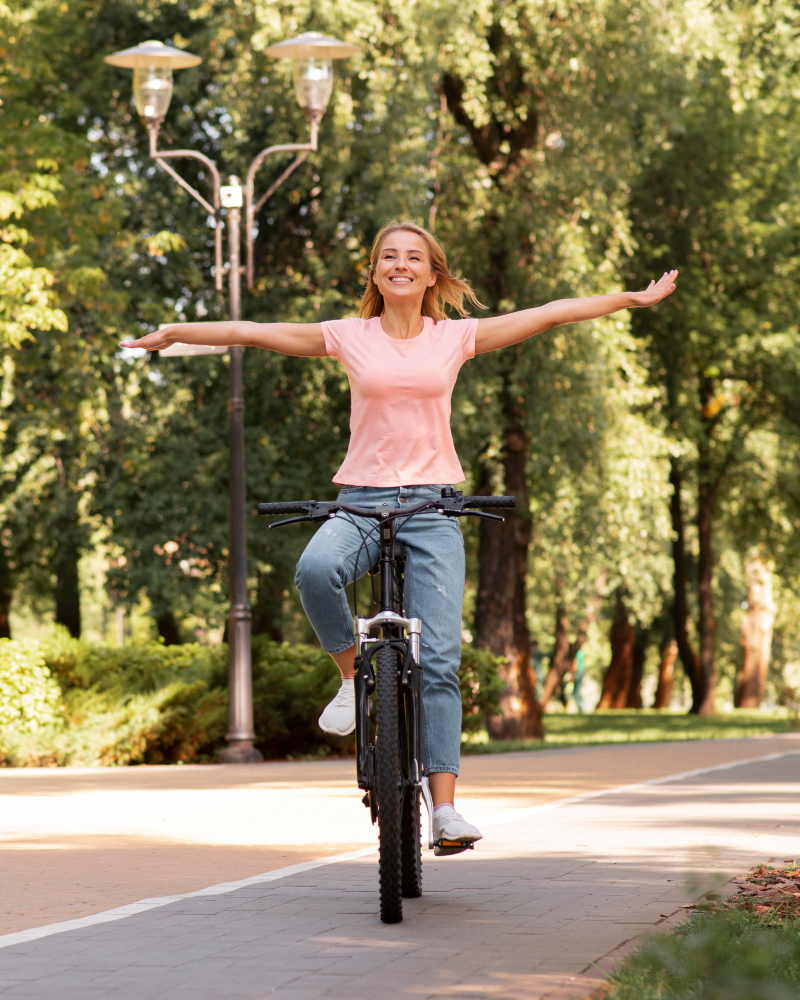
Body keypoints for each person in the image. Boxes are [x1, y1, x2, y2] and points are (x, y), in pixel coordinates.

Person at [122, 220, 678, 850]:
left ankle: (443, 810)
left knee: (438, 660)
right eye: (388, 256)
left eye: (413, 257)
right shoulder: (347, 336)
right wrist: (175, 334)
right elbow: (253, 332)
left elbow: (548, 314)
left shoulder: (455, 338)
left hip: (434, 508)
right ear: (375, 272)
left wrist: (628, 300)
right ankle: (350, 675)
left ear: (432, 274)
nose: (400, 264)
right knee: (314, 570)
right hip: (360, 502)